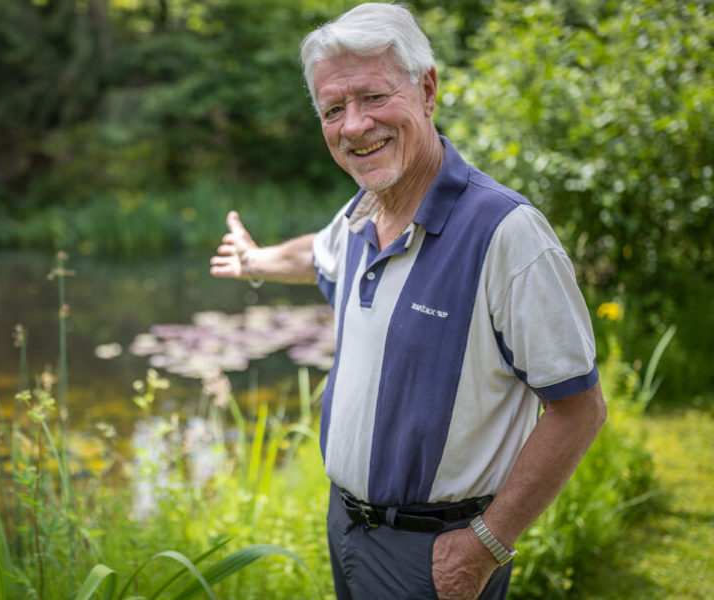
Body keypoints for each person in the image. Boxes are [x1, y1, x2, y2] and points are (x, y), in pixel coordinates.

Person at [209, 3, 606, 599]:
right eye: (333, 110)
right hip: (346, 527)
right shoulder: (363, 214)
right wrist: (255, 261)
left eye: (372, 97)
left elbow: (580, 410)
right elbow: (316, 253)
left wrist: (486, 545)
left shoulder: (507, 234)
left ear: (427, 89)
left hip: (438, 553)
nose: (354, 126)